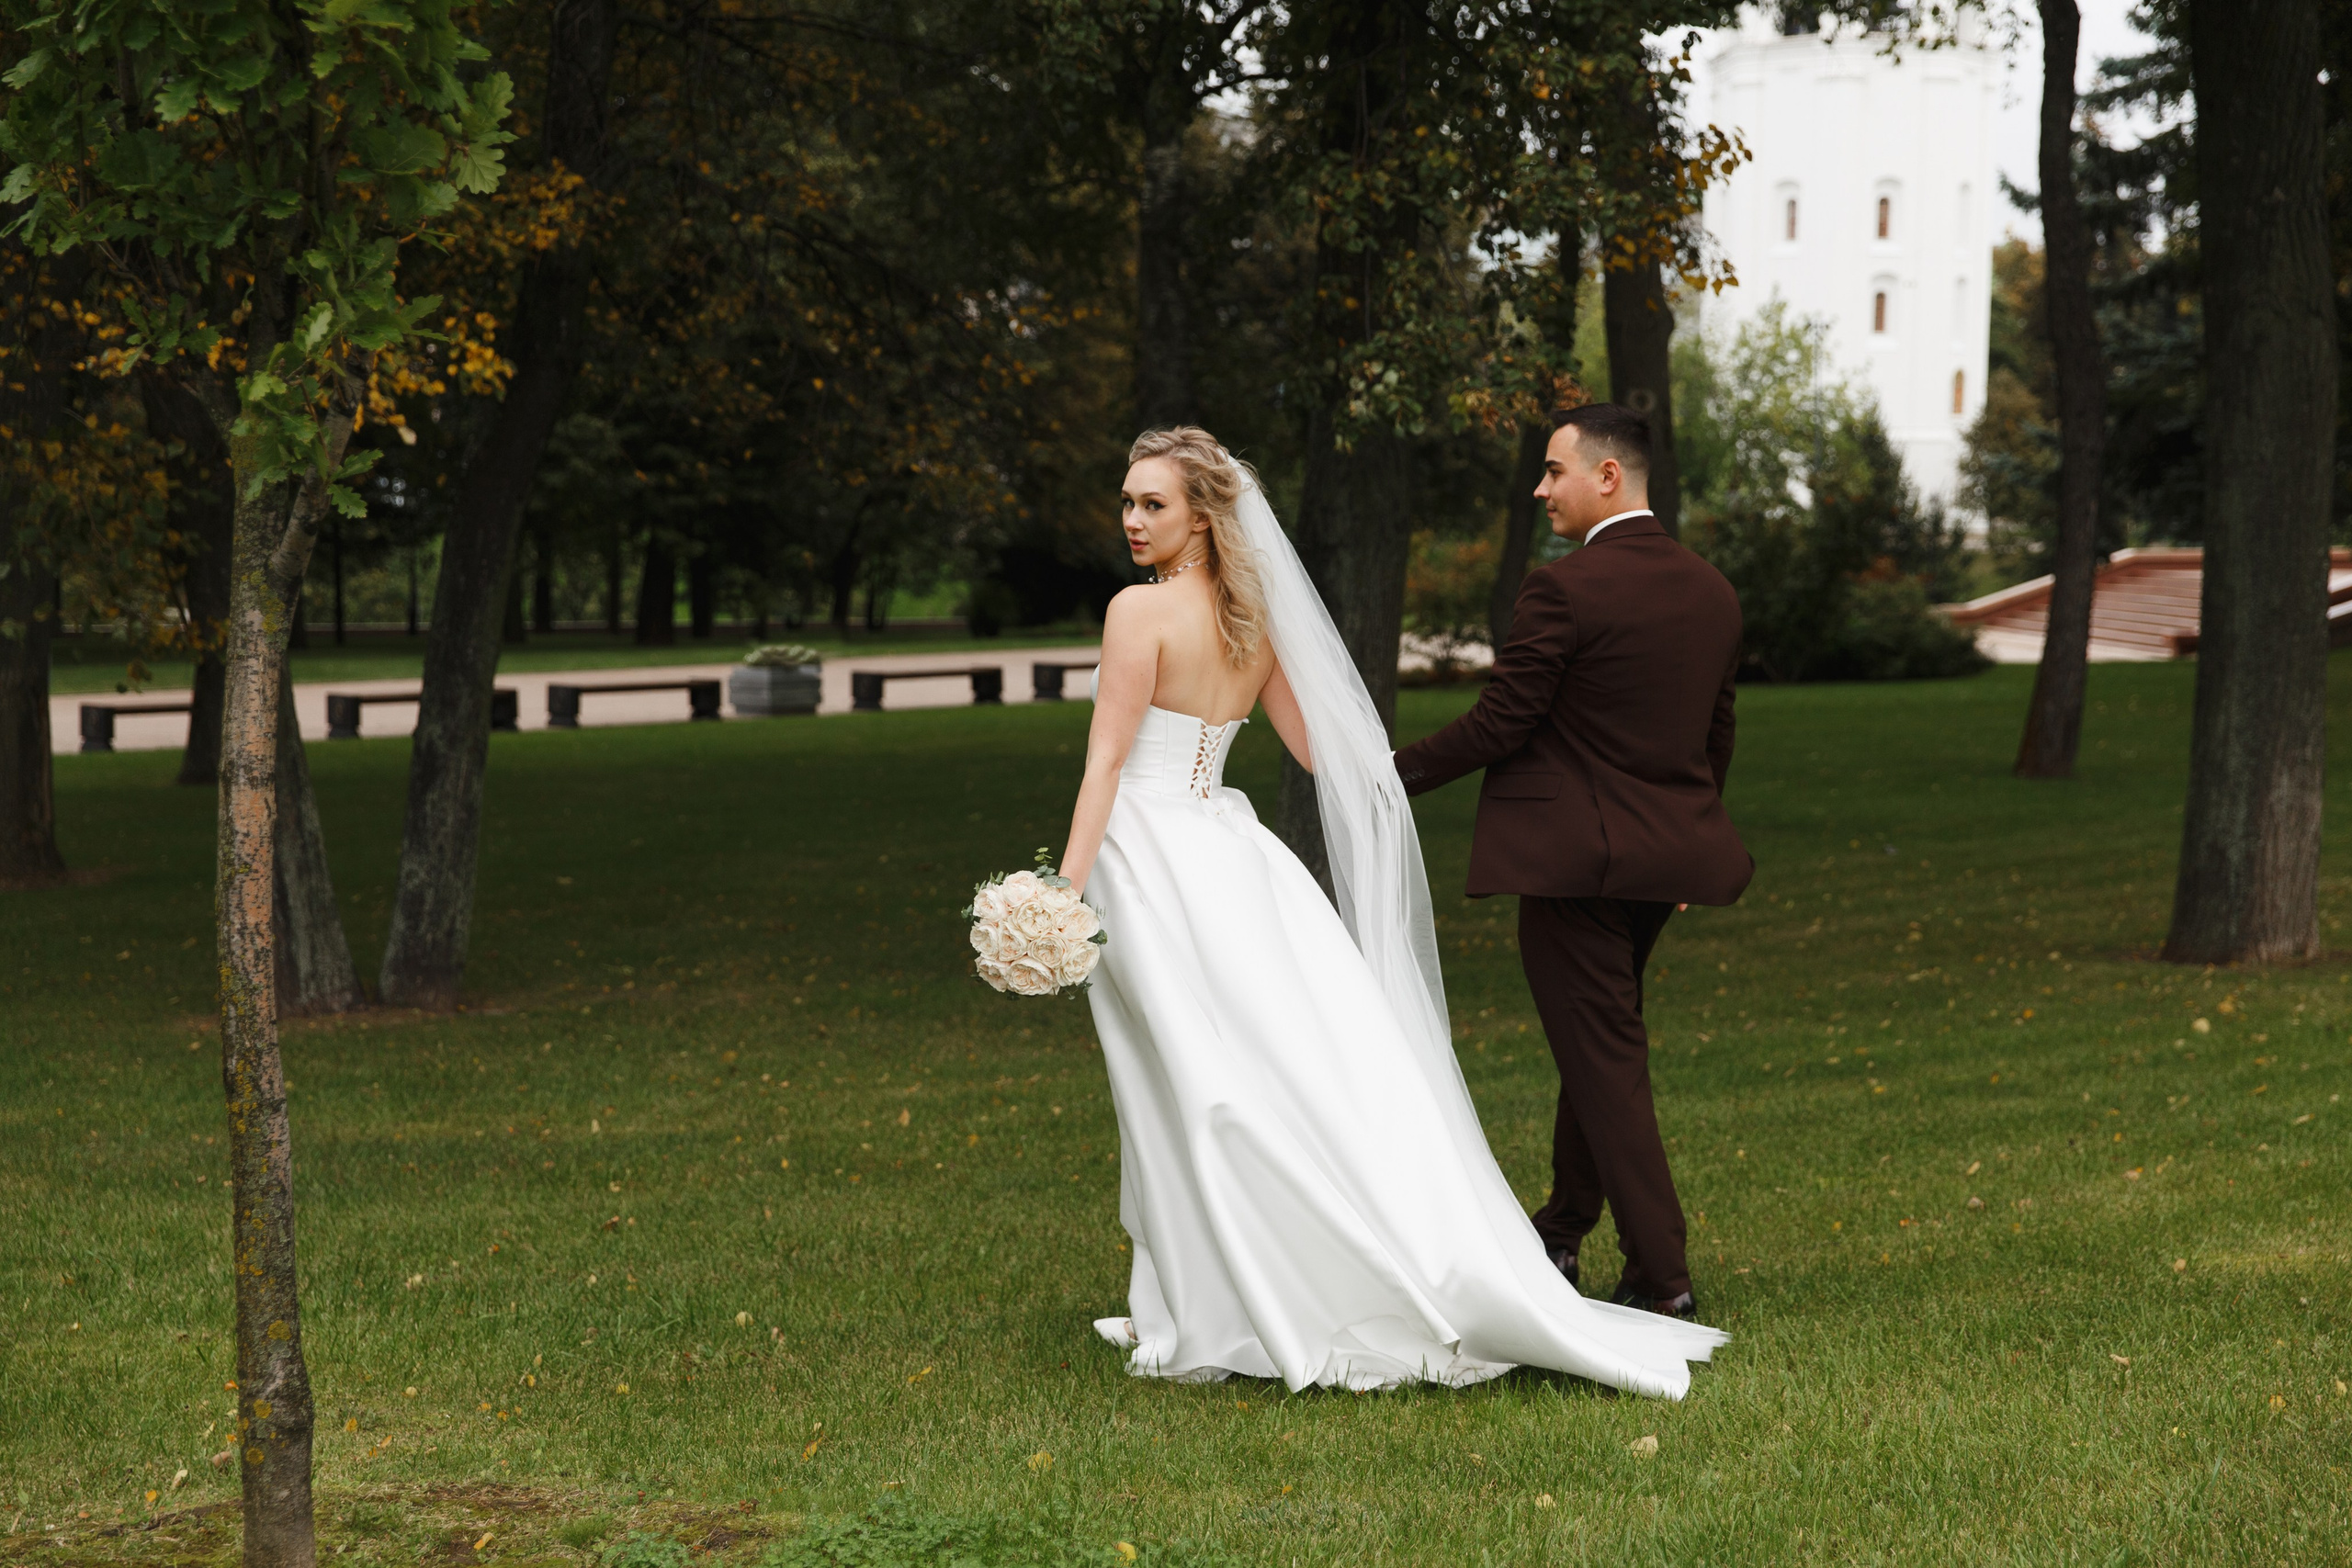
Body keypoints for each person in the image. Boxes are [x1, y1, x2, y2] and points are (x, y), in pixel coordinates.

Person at [1054, 424, 1726, 1399]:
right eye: (1126, 502)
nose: (1130, 520)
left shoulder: (1134, 614)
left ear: (1202, 515)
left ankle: (1225, 1302)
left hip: (1150, 860)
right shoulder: (1255, 624)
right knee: (1254, 1073)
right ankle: (1201, 1292)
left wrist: (1058, 892)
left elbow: (1107, 764)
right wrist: (1392, 785)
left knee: (1190, 1081)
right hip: (1232, 855)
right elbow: (1331, 760)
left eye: (1151, 503)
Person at [1392, 402, 1752, 1320]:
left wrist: (1383, 775)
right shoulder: (1711, 589)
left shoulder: (1564, 589)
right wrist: (1683, 845)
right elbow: (1715, 737)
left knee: (1604, 1058)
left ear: (1608, 476)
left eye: (1554, 471)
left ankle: (1659, 1275)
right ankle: (1558, 1230)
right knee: (1597, 1053)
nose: (1541, 488)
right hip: (1655, 867)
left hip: (1569, 868)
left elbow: (1502, 722)